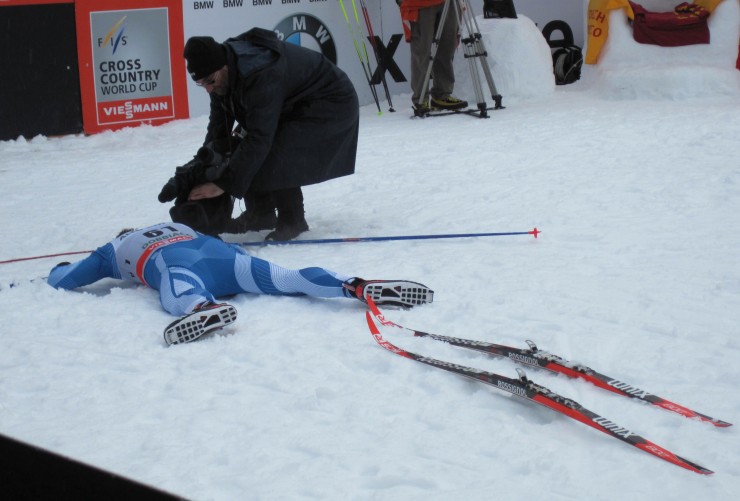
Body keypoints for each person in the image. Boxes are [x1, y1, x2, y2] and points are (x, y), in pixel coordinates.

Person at [47, 223, 433, 346]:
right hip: (223, 256)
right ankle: (354, 284)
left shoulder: (114, 250)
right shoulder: (175, 224)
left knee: (173, 282)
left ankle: (202, 308)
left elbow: (68, 278)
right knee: (286, 278)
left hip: (181, 263)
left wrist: (56, 269)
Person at [159, 27, 360, 240]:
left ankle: (292, 220)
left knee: (274, 145)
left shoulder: (258, 72)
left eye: (209, 80)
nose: (207, 89)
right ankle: (260, 215)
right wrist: (199, 168)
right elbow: (219, 135)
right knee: (242, 141)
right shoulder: (219, 76)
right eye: (200, 83)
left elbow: (260, 139)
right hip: (294, 103)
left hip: (331, 101)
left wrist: (223, 184)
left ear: (223, 66)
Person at [398, 0, 469, 115]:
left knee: (446, 49)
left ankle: (442, 95)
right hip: (419, 4)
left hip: (450, 3)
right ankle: (421, 99)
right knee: (422, 51)